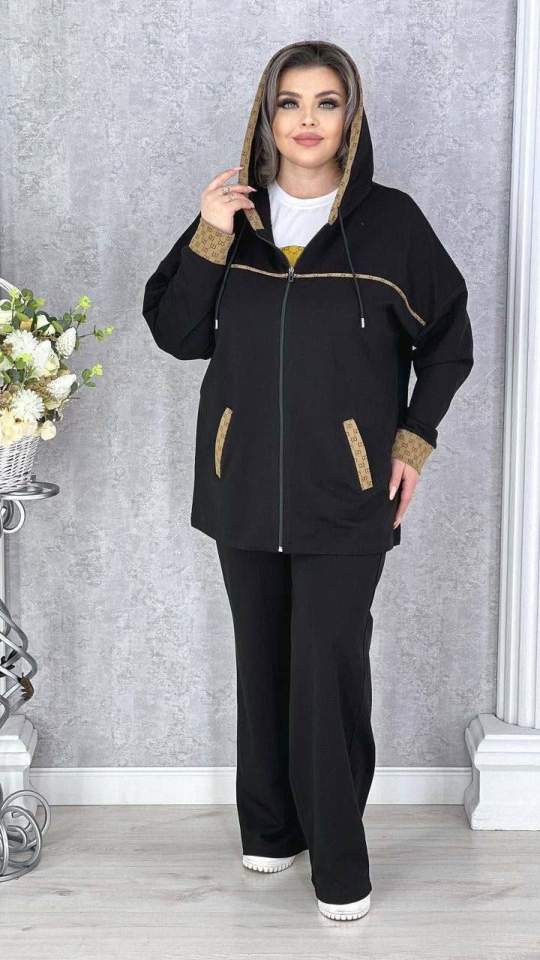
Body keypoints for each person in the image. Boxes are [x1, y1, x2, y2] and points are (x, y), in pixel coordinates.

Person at [142, 39, 474, 921]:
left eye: (327, 102)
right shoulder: (236, 217)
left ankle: (340, 866)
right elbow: (177, 333)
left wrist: (412, 444)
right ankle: (269, 829)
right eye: (290, 102)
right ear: (267, 116)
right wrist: (210, 230)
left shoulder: (392, 223)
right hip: (241, 481)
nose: (307, 121)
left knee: (327, 670)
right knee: (261, 659)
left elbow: (449, 341)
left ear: (350, 117)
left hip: (349, 491)